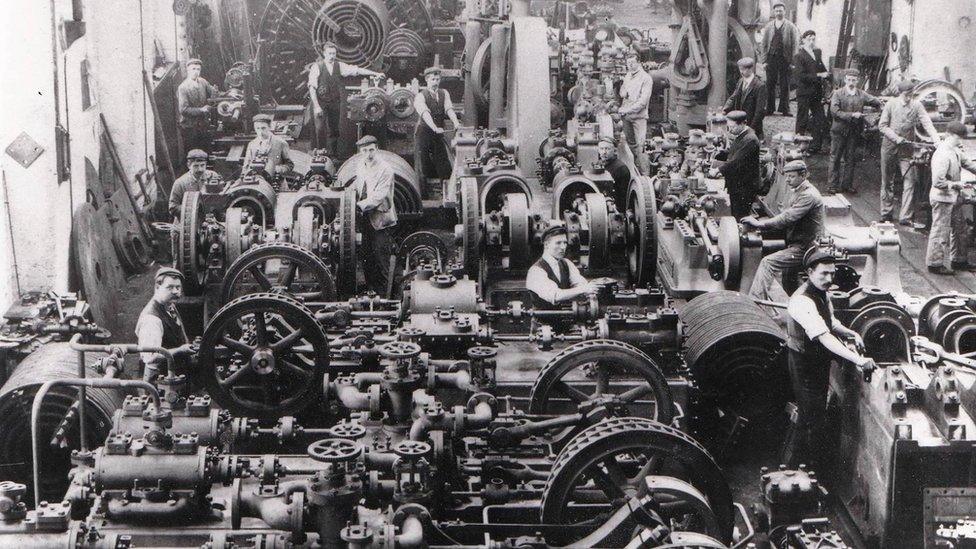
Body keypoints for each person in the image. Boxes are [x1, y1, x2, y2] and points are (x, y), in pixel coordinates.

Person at [783, 248, 876, 468]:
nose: (829, 279)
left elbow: (830, 322)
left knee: (812, 415)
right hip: (804, 363)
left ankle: (800, 467)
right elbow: (824, 337)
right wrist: (858, 359)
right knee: (812, 417)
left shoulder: (821, 293)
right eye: (824, 273)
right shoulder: (802, 301)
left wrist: (850, 333)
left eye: (832, 273)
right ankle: (803, 471)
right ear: (809, 272)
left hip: (817, 361)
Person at [742, 160, 825, 303]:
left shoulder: (808, 195)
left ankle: (755, 303)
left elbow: (787, 218)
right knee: (789, 284)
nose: (787, 180)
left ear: (803, 175)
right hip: (795, 243)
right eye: (786, 176)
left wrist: (759, 224)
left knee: (767, 263)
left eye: (791, 176)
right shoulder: (797, 191)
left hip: (805, 248)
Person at [879, 80, 941, 227]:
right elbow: (882, 126)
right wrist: (896, 138)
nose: (909, 98)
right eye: (906, 95)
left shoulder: (917, 105)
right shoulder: (891, 104)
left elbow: (927, 122)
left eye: (911, 95)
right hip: (889, 147)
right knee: (887, 181)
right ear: (900, 93)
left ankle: (905, 216)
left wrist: (936, 140)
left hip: (907, 150)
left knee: (910, 181)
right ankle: (886, 213)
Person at [308, 42, 383, 155]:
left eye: (334, 53)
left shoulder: (339, 66)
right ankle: (319, 155)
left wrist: (375, 73)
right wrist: (317, 106)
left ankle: (333, 155)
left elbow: (356, 70)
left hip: (335, 102)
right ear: (324, 53)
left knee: (334, 130)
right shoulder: (317, 67)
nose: (332, 56)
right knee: (320, 130)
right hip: (320, 103)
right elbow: (312, 88)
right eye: (329, 53)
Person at [926, 122, 976, 274]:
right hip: (942, 198)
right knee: (941, 231)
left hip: (953, 198)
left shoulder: (954, 150)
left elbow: (968, 164)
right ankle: (934, 264)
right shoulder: (942, 154)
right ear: (951, 136)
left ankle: (959, 260)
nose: (960, 141)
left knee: (960, 229)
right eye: (958, 138)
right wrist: (956, 185)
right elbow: (938, 182)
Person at [353, 135, 397, 294]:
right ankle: (371, 291)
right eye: (365, 150)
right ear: (360, 152)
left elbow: (379, 195)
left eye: (371, 150)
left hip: (380, 219)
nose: (369, 154)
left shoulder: (386, 169)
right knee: (367, 257)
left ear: (377, 149)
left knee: (381, 258)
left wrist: (358, 205)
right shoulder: (360, 165)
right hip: (364, 218)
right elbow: (359, 187)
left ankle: (386, 295)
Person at [827, 68, 882, 195]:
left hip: (853, 132)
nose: (851, 82)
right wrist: (852, 115)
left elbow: (874, 100)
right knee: (835, 158)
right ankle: (832, 185)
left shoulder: (861, 94)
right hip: (839, 131)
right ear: (845, 80)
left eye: (854, 80)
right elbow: (834, 112)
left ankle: (847, 184)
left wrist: (882, 103)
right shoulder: (838, 94)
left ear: (857, 81)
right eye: (849, 79)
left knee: (850, 158)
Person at [135, 267, 194, 383]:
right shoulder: (151, 319)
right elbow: (151, 358)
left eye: (178, 287)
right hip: (159, 382)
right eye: (170, 287)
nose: (176, 292)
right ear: (157, 287)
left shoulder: (169, 305)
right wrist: (180, 350)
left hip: (175, 376)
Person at [525, 225, 599, 309]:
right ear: (546, 245)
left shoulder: (567, 263)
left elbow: (580, 284)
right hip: (543, 322)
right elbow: (555, 296)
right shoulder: (535, 271)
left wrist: (588, 290)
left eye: (565, 243)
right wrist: (584, 289)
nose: (563, 247)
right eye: (558, 243)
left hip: (568, 320)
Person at [414, 67, 461, 186]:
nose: (436, 82)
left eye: (438, 79)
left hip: (438, 134)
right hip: (424, 133)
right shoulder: (420, 96)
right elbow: (425, 113)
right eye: (433, 79)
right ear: (427, 80)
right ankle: (423, 193)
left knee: (443, 162)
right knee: (423, 163)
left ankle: (445, 189)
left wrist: (456, 122)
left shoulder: (444, 93)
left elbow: (449, 109)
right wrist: (434, 127)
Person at [716, 110, 761, 219]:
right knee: (735, 212)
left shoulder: (750, 139)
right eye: (728, 127)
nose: (730, 130)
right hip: (737, 184)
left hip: (744, 186)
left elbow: (736, 161)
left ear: (742, 123)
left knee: (740, 215)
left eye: (732, 127)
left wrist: (718, 170)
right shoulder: (742, 135)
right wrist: (720, 154)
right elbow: (735, 151)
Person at [792, 30, 829, 154]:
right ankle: (799, 145)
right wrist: (819, 75)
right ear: (803, 40)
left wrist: (828, 75)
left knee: (819, 118)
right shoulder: (799, 56)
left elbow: (821, 67)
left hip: (816, 93)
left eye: (814, 39)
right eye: (809, 39)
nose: (812, 41)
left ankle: (815, 146)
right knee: (802, 118)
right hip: (804, 92)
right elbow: (801, 76)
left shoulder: (817, 52)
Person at [617, 54, 654, 174]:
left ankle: (645, 175)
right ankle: (633, 171)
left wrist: (626, 110)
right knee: (629, 144)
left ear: (639, 62)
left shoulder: (646, 78)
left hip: (639, 117)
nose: (630, 65)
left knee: (641, 146)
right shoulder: (628, 75)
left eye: (632, 63)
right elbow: (622, 91)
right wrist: (623, 93)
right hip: (626, 117)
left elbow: (643, 102)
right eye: (628, 63)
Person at [759, 3, 798, 116]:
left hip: (785, 59)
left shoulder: (791, 26)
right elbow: (764, 44)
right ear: (774, 12)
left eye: (780, 11)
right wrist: (764, 61)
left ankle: (785, 109)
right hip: (771, 58)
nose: (778, 13)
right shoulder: (769, 26)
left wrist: (793, 62)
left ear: (784, 12)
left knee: (785, 84)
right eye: (776, 11)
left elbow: (795, 45)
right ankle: (770, 108)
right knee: (770, 84)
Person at [177, 58, 218, 160]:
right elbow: (184, 110)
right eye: (193, 69)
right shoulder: (183, 87)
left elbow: (213, 94)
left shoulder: (203, 82)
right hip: (190, 127)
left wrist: (216, 92)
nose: (196, 72)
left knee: (205, 152)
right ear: (188, 70)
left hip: (203, 125)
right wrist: (201, 110)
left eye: (198, 69)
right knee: (193, 154)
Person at [724, 57, 767, 140]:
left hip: (752, 127)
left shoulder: (760, 86)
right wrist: (724, 109)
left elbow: (760, 111)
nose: (741, 72)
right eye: (740, 69)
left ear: (750, 69)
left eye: (743, 69)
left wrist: (751, 128)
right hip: (740, 124)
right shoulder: (741, 81)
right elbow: (733, 97)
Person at [169, 149, 220, 219]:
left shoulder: (213, 176)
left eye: (202, 165)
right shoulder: (180, 183)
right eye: (196, 166)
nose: (200, 169)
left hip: (210, 221)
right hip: (187, 224)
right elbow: (173, 208)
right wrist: (194, 209)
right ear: (188, 166)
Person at [242, 114, 294, 178]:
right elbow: (245, 167)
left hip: (276, 181)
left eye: (263, 128)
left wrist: (277, 169)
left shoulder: (281, 143)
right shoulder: (252, 144)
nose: (260, 132)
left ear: (269, 127)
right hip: (257, 182)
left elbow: (290, 165)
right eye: (257, 128)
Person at [597, 136, 632, 208]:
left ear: (615, 151)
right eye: (601, 149)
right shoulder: (598, 164)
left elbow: (623, 197)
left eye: (607, 149)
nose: (604, 152)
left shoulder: (621, 169)